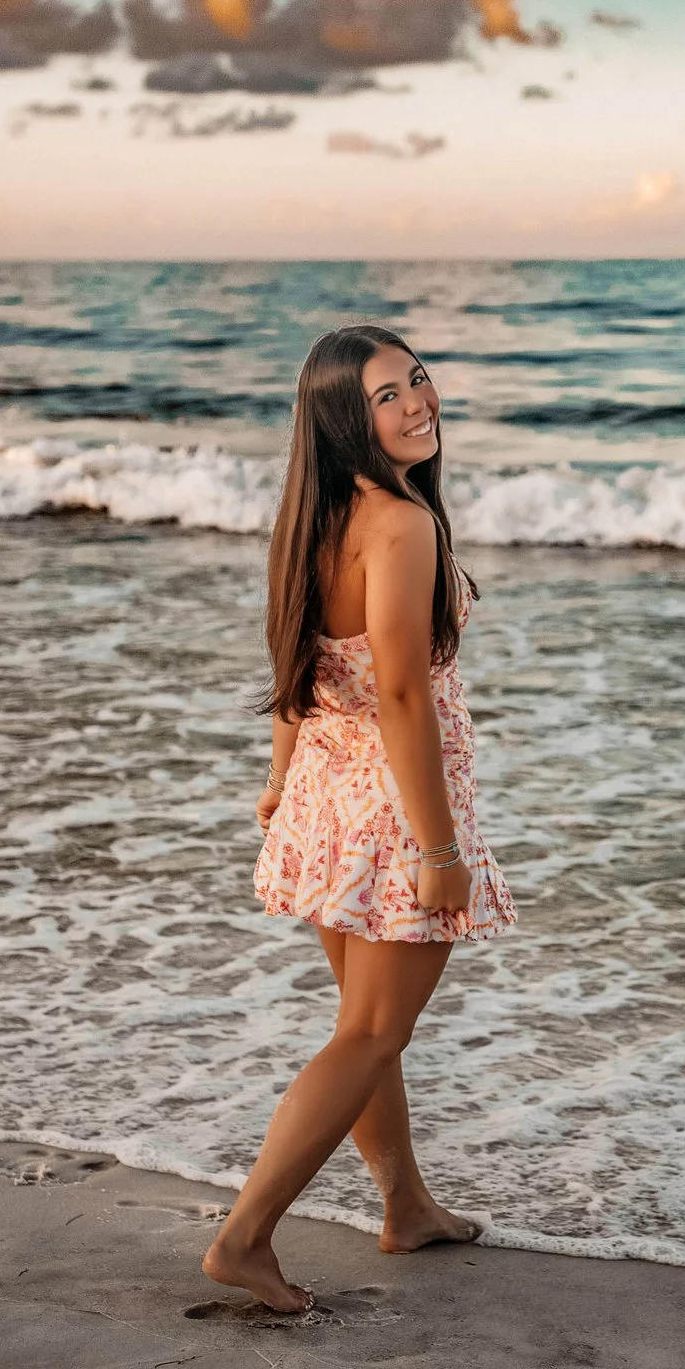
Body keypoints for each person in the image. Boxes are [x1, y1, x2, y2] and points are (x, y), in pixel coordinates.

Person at [201, 324, 515, 1313]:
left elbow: (297, 672)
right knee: (374, 1033)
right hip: (388, 812)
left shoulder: (313, 519)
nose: (418, 401)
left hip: (326, 800)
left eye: (418, 379)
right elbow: (402, 697)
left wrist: (278, 779)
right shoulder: (401, 526)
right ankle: (244, 1235)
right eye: (388, 394)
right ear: (346, 417)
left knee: (363, 1027)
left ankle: (405, 1204)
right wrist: (440, 847)